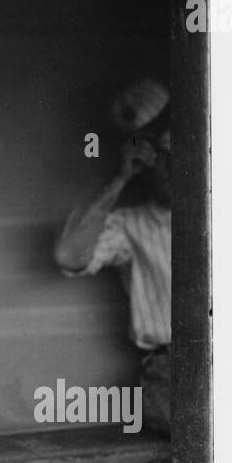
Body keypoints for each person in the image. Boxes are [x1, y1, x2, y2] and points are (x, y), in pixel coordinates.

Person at [54, 79, 171, 435]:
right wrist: (121, 178)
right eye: (161, 153)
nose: (172, 161)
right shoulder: (130, 224)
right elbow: (69, 255)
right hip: (174, 371)